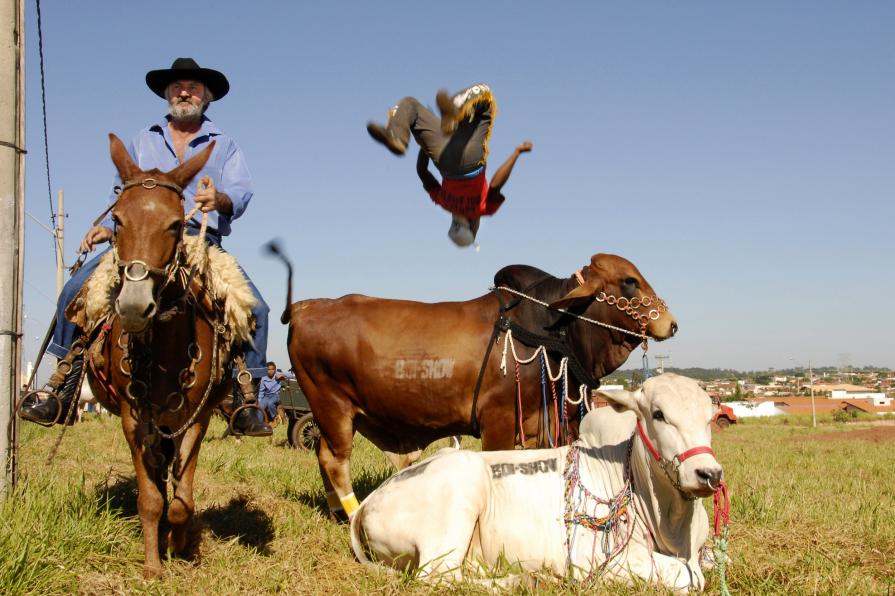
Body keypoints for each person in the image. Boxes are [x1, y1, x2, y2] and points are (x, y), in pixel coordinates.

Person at [20, 58, 272, 436]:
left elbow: (241, 192)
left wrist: (216, 198)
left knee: (255, 308)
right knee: (75, 291)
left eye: (192, 86)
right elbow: (121, 193)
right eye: (176, 87)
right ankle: (60, 385)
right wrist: (105, 227)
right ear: (168, 94)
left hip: (197, 237)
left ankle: (248, 397)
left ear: (207, 96)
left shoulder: (224, 145)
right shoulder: (144, 138)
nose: (184, 92)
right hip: (139, 238)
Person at [366, 83, 532, 247]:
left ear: (473, 227)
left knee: (485, 97)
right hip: (442, 157)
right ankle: (398, 135)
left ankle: (452, 109)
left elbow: (495, 185)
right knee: (410, 105)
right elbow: (422, 171)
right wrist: (426, 146)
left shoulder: (483, 209)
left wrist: (517, 153)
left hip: (472, 158)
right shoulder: (444, 203)